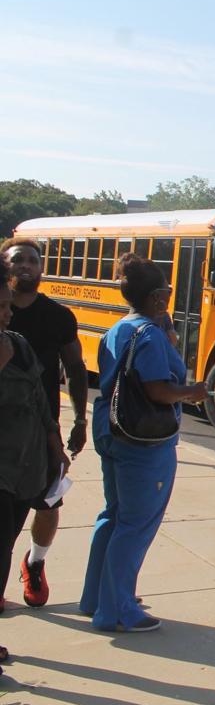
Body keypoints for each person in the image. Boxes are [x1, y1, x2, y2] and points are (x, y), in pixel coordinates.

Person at [81, 254, 207, 632]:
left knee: (114, 515)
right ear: (155, 296)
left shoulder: (118, 328)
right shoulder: (150, 335)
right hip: (142, 441)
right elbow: (157, 389)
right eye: (166, 291)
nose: (169, 296)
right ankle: (117, 611)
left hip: (109, 429)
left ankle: (96, 597)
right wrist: (192, 392)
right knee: (136, 524)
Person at [2, 238, 89, 609]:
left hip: (42, 429)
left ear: (42, 268)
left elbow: (74, 369)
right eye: (17, 259)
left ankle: (35, 563)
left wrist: (79, 420)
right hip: (6, 435)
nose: (26, 266)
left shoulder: (57, 317)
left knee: (49, 504)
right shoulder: (3, 314)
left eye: (32, 260)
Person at [1, 257, 71, 667]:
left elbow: (42, 399)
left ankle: (32, 568)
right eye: (0, 307)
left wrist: (55, 442)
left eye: (8, 306)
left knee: (9, 543)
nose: (7, 313)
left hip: (26, 461)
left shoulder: (20, 343)